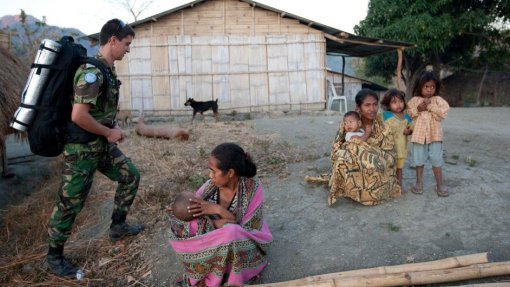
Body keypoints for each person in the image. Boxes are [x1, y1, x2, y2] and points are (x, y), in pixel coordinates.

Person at [46, 19, 144, 277]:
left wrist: (109, 128)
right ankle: (54, 257)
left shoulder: (107, 71)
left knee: (130, 176)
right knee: (70, 202)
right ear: (112, 40)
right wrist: (109, 132)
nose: (128, 49)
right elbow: (79, 115)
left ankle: (118, 226)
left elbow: (99, 109)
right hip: (81, 150)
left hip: (99, 145)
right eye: (126, 44)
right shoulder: (92, 73)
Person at [168, 143, 272, 287]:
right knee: (186, 222)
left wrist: (215, 209)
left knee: (231, 232)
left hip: (246, 244)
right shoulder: (210, 187)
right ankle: (209, 271)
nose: (210, 176)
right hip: (218, 239)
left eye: (214, 171)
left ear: (230, 173)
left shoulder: (252, 189)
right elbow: (189, 214)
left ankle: (228, 275)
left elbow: (248, 230)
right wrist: (214, 224)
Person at [329, 89, 401, 206]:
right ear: (358, 108)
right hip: (355, 161)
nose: (372, 109)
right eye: (367, 105)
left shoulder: (382, 125)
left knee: (381, 163)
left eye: (374, 105)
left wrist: (375, 153)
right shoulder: (350, 122)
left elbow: (389, 149)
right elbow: (339, 145)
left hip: (377, 159)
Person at [407, 70, 450, 197]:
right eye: (426, 86)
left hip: (435, 136)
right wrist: (419, 109)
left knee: (436, 160)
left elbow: (443, 113)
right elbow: (410, 113)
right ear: (419, 87)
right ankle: (419, 182)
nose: (429, 90)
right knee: (419, 161)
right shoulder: (415, 100)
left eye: (432, 87)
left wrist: (430, 106)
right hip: (419, 137)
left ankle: (439, 184)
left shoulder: (438, 100)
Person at [381, 88, 413, 191]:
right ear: (388, 105)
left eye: (400, 101)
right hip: (388, 149)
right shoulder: (385, 116)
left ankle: (398, 186)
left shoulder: (407, 117)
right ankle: (386, 185)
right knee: (388, 168)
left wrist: (409, 131)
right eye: (394, 102)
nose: (398, 104)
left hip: (401, 149)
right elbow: (374, 122)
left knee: (399, 169)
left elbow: (412, 128)